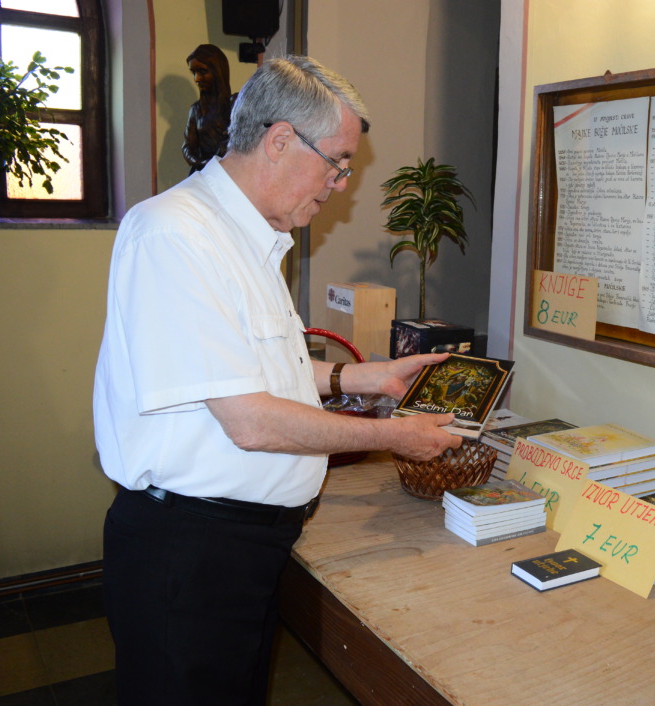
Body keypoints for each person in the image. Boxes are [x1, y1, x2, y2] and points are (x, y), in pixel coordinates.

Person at [93, 55, 462, 706]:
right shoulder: (175, 235)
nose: (342, 183)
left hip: (238, 547)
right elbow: (250, 417)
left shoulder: (251, 239)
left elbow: (264, 367)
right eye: (339, 161)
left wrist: (364, 377)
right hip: (189, 553)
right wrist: (395, 437)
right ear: (281, 139)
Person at [182, 44, 236, 173]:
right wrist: (202, 163)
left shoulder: (235, 104)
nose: (197, 79)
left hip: (230, 173)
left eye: (202, 71)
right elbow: (188, 147)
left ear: (217, 71)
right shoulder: (196, 110)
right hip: (203, 173)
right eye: (194, 72)